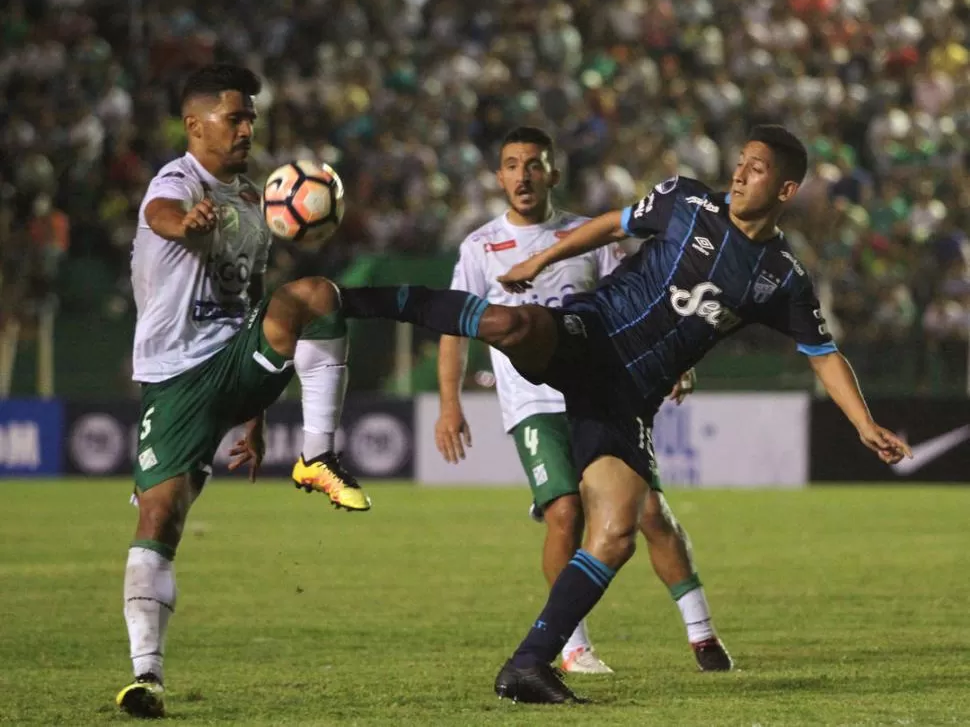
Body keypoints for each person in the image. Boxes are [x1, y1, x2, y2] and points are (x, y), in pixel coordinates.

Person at [337, 124, 913, 704]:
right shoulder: (685, 200)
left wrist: (864, 424)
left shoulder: (782, 278)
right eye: (740, 162)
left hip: (627, 398)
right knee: (513, 324)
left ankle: (528, 666)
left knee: (615, 535)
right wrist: (543, 258)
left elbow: (822, 352)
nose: (738, 173)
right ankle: (353, 303)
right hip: (593, 333)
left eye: (755, 168)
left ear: (786, 190)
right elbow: (614, 224)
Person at [116, 63, 370, 719]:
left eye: (252, 117)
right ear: (194, 124)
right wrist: (189, 222)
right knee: (160, 516)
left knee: (315, 295)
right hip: (175, 377)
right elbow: (162, 216)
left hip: (234, 361)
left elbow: (251, 301)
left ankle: (317, 454)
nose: (248, 128)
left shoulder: (259, 202)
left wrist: (255, 412)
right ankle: (147, 676)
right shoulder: (177, 181)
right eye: (235, 117)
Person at [437, 126, 724, 676]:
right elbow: (454, 327)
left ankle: (702, 634)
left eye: (535, 164)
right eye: (513, 164)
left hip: (601, 394)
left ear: (553, 173)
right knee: (564, 514)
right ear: (499, 176)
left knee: (649, 513)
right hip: (533, 404)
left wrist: (675, 360)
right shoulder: (479, 247)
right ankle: (572, 645)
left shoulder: (586, 236)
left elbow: (642, 303)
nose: (523, 175)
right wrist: (450, 402)